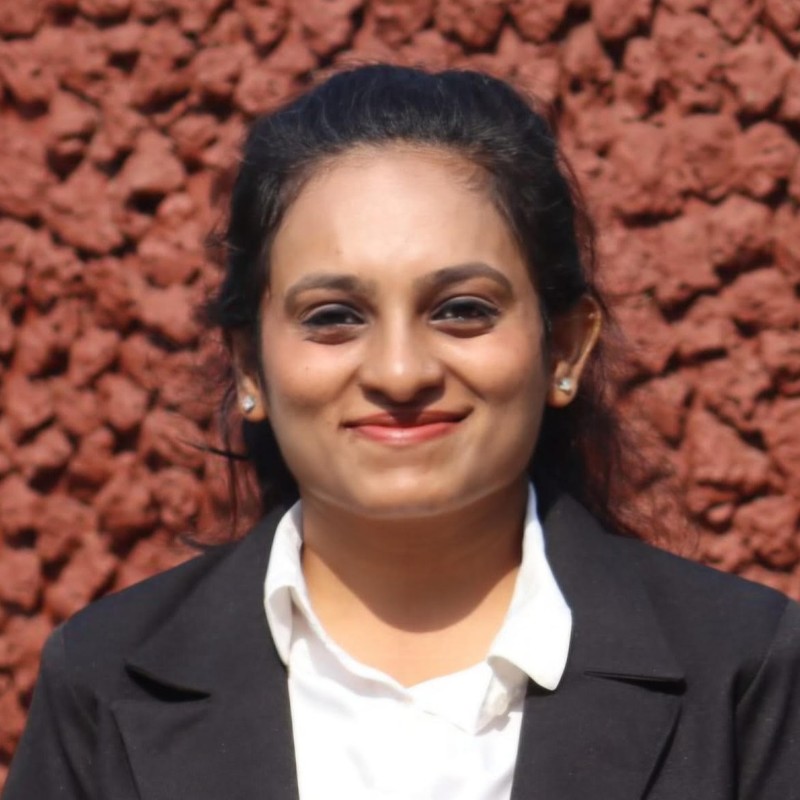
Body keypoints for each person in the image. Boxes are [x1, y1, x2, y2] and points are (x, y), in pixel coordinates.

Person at [5, 64, 800, 800]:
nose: (399, 372)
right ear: (250, 366)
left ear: (563, 347)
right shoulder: (105, 683)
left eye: (462, 310)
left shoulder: (743, 673)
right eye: (334, 316)